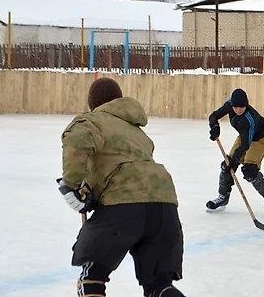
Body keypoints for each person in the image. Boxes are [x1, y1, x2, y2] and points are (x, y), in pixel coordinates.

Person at [58, 77, 185, 297]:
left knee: (92, 276)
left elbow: (77, 140)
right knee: (159, 285)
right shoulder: (136, 131)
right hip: (163, 205)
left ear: (94, 103)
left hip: (123, 203)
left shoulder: (93, 120)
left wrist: (73, 185)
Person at [205, 88, 264, 217]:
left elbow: (246, 145)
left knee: (249, 170)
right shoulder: (229, 105)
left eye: (241, 107)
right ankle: (223, 196)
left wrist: (235, 159)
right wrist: (215, 127)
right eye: (236, 107)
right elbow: (213, 116)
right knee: (227, 166)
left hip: (260, 138)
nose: (238, 110)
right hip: (244, 135)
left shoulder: (249, 119)